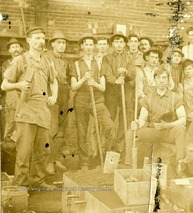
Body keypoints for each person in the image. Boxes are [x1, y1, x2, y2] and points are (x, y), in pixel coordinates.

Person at [1, 27, 58, 187]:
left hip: (42, 112)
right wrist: (19, 84)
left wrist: (54, 95)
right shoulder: (20, 60)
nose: (40, 41)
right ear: (28, 40)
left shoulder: (47, 61)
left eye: (42, 38)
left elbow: (54, 81)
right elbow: (4, 85)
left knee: (43, 150)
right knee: (24, 152)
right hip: (25, 112)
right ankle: (21, 186)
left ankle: (37, 181)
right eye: (37, 38)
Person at [69, 34, 116, 170]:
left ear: (94, 47)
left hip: (97, 99)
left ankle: (107, 160)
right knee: (82, 132)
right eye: (86, 44)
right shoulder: (76, 65)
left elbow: (103, 87)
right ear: (82, 47)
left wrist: (94, 83)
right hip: (82, 100)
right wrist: (84, 78)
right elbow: (73, 87)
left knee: (110, 127)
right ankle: (84, 163)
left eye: (91, 44)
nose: (89, 47)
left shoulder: (99, 64)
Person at [124, 68, 187, 168]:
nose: (161, 80)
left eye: (164, 78)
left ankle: (180, 163)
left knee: (181, 129)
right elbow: (143, 119)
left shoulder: (175, 97)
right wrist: (137, 124)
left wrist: (167, 125)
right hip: (153, 131)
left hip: (168, 132)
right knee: (131, 132)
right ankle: (129, 165)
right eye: (158, 78)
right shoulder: (148, 98)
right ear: (155, 80)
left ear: (168, 80)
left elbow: (183, 119)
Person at [101, 32, 136, 152]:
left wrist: (125, 73)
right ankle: (108, 149)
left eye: (121, 42)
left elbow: (133, 74)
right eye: (116, 42)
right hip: (112, 90)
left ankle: (120, 149)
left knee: (125, 118)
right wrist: (116, 81)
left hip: (126, 90)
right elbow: (106, 73)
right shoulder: (107, 57)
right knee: (110, 119)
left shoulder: (130, 58)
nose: (119, 44)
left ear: (125, 43)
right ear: (112, 43)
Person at [45, 31, 70, 175]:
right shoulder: (47, 57)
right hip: (52, 92)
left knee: (62, 126)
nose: (61, 45)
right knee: (52, 128)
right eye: (59, 42)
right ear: (53, 44)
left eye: (64, 43)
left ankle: (56, 159)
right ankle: (49, 162)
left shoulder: (64, 60)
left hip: (64, 92)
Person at [1, 38, 23, 150]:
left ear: (21, 49)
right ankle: (8, 148)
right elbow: (8, 80)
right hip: (11, 96)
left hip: (24, 97)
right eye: (13, 47)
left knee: (22, 123)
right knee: (10, 122)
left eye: (17, 47)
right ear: (9, 51)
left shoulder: (25, 62)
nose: (15, 49)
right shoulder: (6, 64)